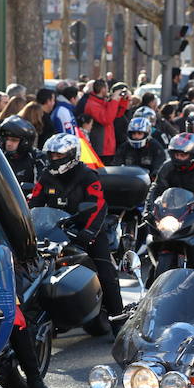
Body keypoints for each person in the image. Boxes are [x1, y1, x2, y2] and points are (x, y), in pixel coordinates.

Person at [30, 134, 124, 334]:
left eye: (58, 155)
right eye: (51, 154)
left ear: (72, 155)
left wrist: (88, 232)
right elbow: (34, 204)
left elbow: (99, 206)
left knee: (106, 273)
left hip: (85, 230)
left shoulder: (88, 175)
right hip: (55, 231)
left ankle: (119, 322)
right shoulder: (46, 176)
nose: (54, 158)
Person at [145, 133, 194, 209]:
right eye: (176, 155)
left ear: (193, 154)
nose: (178, 158)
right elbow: (157, 188)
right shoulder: (167, 166)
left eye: (183, 155)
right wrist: (149, 209)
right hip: (171, 212)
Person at [84, 79, 129, 163]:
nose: (108, 91)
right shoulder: (92, 104)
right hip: (101, 147)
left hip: (107, 146)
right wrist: (114, 100)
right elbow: (106, 119)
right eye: (107, 88)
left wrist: (123, 100)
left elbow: (117, 114)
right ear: (103, 89)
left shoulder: (102, 101)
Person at [0, 115, 49, 187]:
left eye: (14, 140)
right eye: (7, 139)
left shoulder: (37, 158)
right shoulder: (1, 157)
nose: (8, 143)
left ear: (25, 142)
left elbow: (41, 188)